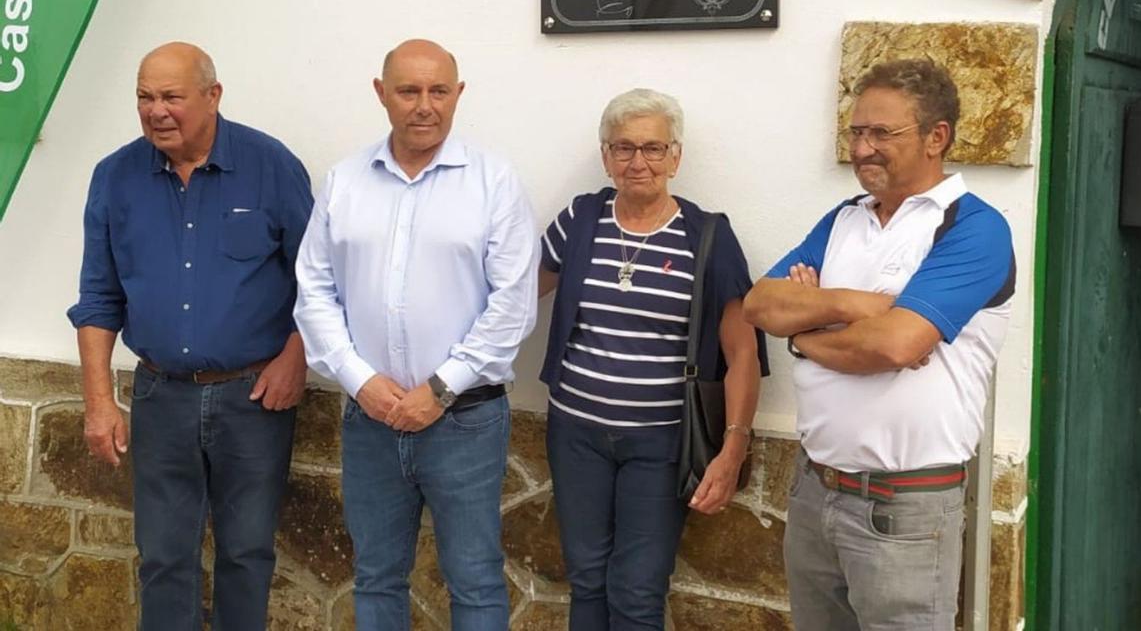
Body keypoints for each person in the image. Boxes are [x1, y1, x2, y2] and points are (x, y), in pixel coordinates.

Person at [744, 59, 1015, 631]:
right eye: (856, 132)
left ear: (936, 137)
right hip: (816, 492)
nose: (862, 148)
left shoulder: (973, 227)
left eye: (881, 134)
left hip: (906, 511)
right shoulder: (845, 219)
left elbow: (895, 345)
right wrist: (857, 306)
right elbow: (760, 305)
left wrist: (803, 332)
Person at [293, 38, 539, 630]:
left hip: (464, 421)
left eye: (438, 91)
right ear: (382, 94)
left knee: (475, 578)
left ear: (458, 94)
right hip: (370, 419)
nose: (424, 106)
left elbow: (513, 305)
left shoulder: (494, 182)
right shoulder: (345, 181)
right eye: (408, 91)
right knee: (376, 576)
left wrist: (441, 387)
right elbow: (314, 292)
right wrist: (360, 381)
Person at [66, 42, 313, 631]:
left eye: (172, 97)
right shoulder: (115, 177)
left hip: (254, 396)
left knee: (247, 553)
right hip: (161, 396)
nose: (157, 111)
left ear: (213, 96)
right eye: (145, 98)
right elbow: (99, 297)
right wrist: (99, 403)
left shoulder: (271, 166)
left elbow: (322, 281)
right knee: (163, 556)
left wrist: (295, 358)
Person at [539, 88, 768, 630]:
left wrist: (733, 448)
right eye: (623, 148)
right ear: (605, 156)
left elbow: (742, 353)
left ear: (675, 157)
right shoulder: (580, 219)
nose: (637, 162)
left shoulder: (706, 236)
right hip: (575, 434)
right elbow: (518, 298)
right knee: (586, 578)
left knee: (638, 590)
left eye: (652, 148)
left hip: (661, 442)